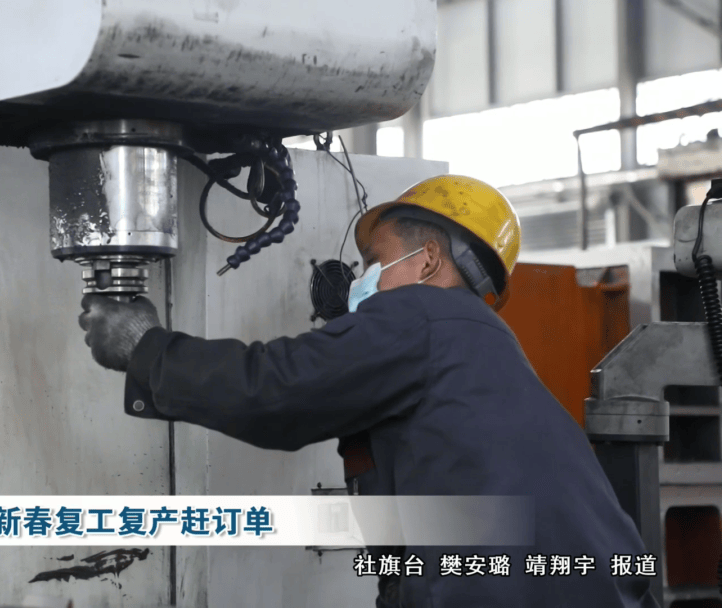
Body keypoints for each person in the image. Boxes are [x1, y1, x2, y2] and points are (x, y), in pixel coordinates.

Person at [78, 174, 658, 607]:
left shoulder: (423, 316)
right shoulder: (477, 341)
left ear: (428, 261)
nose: (359, 281)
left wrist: (144, 348)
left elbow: (276, 389)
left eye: (373, 262)